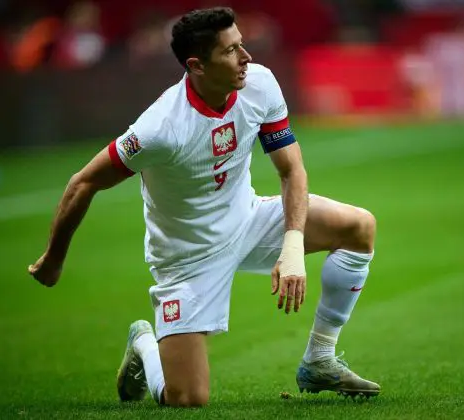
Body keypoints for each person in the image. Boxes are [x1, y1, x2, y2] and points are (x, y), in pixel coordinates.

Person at [28, 7, 380, 407]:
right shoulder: (160, 128)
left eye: (242, 44)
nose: (246, 57)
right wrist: (54, 257)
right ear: (196, 65)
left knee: (358, 227)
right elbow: (84, 182)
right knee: (187, 399)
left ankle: (319, 359)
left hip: (247, 219)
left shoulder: (259, 84)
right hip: (188, 258)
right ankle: (146, 342)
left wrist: (293, 243)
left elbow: (291, 170)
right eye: (231, 51)